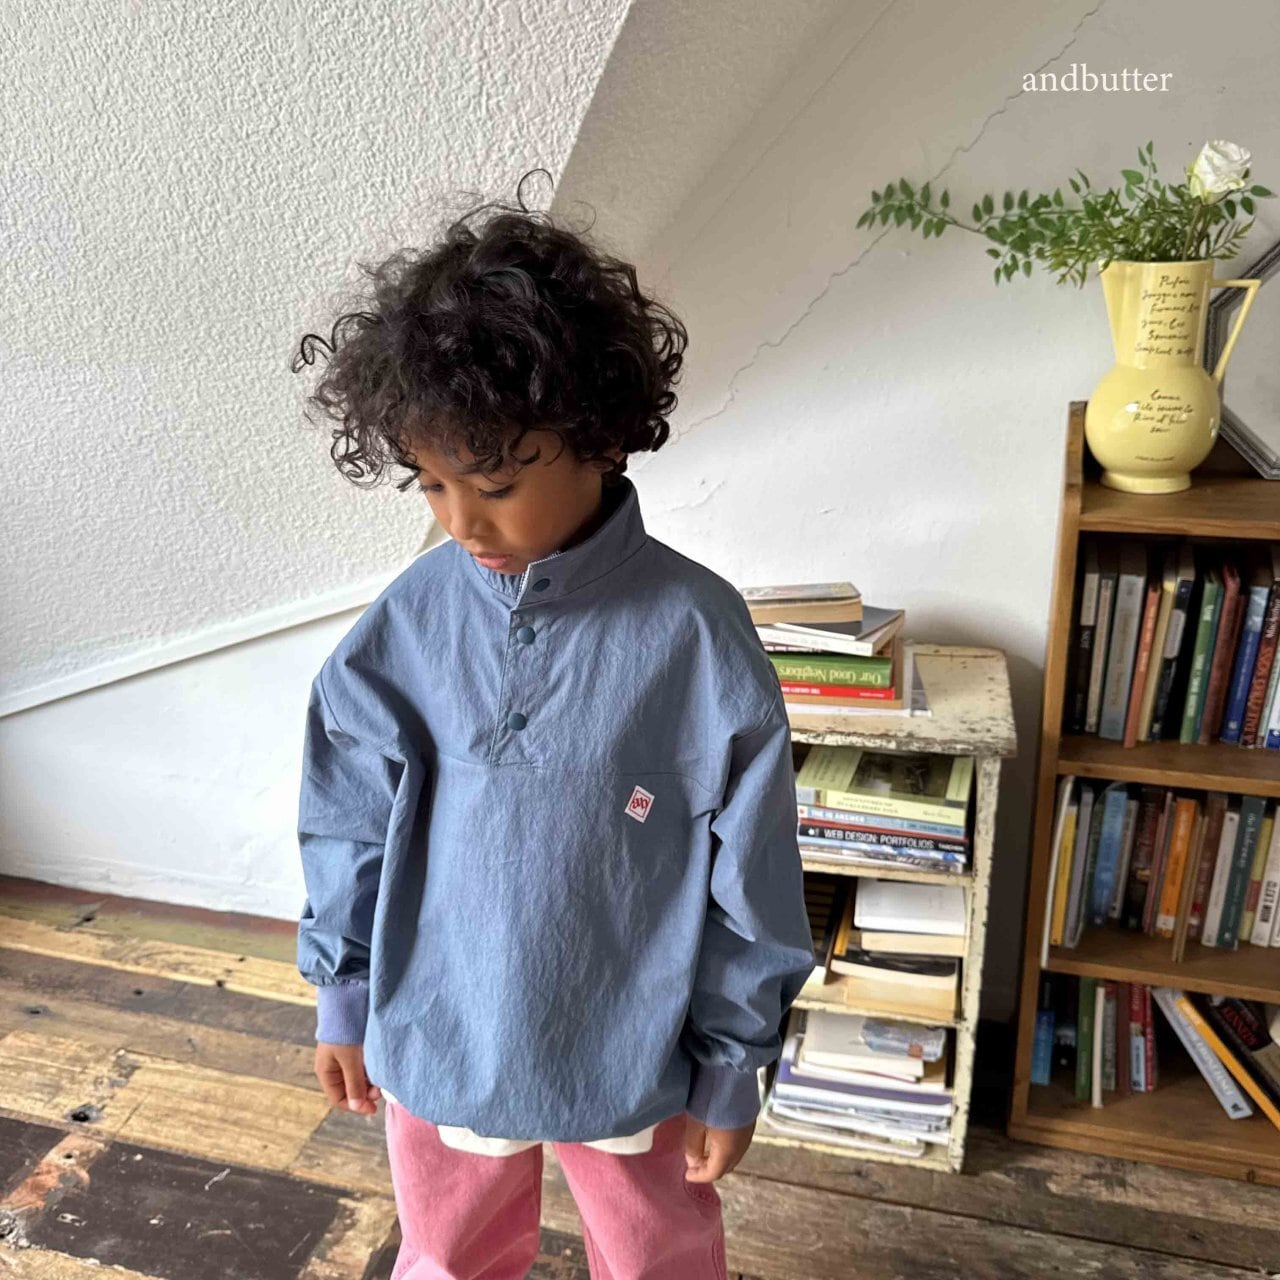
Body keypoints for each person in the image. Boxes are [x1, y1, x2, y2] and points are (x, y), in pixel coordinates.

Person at [291, 169, 815, 1280]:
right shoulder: (408, 621)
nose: (460, 522)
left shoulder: (696, 632)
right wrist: (343, 991)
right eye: (430, 485)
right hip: (443, 1023)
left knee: (659, 1259)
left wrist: (733, 1061)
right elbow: (348, 820)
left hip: (632, 1041)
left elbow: (754, 869)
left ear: (598, 437)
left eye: (490, 483)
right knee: (447, 1254)